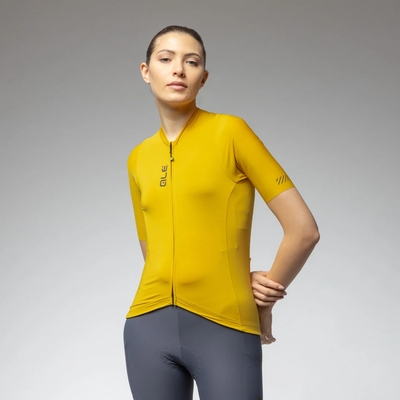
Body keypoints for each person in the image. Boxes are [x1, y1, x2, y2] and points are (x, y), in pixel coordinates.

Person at [124, 25, 319, 400]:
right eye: (166, 59)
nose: (178, 69)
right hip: (146, 329)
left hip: (224, 326)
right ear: (146, 71)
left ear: (203, 77)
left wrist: (263, 296)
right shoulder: (138, 158)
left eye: (191, 62)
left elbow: (303, 230)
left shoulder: (231, 132)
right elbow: (152, 252)